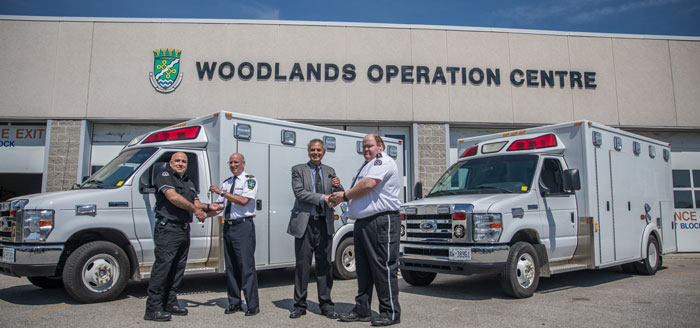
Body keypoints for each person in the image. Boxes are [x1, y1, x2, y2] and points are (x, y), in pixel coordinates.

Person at [330, 134, 402, 327]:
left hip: (381, 221)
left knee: (383, 267)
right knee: (363, 269)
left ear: (380, 146)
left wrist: (344, 196)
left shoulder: (383, 161)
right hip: (363, 223)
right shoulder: (365, 166)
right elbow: (359, 191)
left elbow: (369, 185)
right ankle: (362, 309)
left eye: (369, 146)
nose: (366, 150)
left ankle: (390, 312)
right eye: (363, 147)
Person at [145, 152, 222, 322]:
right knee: (162, 269)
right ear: (171, 163)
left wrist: (210, 207)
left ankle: (170, 303)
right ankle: (153, 309)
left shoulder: (188, 181)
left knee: (177, 269)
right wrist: (196, 211)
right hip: (168, 229)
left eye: (184, 161)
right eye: (177, 161)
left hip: (183, 229)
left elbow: (196, 203)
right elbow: (173, 197)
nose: (180, 163)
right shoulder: (164, 176)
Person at [287, 139, 343, 319]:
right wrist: (323, 198)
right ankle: (299, 305)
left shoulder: (330, 171)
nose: (316, 153)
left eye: (319, 150)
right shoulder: (298, 169)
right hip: (305, 223)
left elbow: (337, 195)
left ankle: (326, 305)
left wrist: (338, 186)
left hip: (324, 223)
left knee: (325, 266)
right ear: (308, 151)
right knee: (302, 266)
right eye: (313, 150)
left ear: (323, 152)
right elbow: (300, 193)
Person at [209, 153, 260, 316]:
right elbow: (219, 206)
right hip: (228, 227)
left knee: (246, 267)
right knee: (231, 267)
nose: (233, 165)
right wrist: (203, 212)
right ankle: (234, 303)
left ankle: (252, 305)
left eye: (236, 162)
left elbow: (244, 201)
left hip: (243, 227)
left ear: (243, 163)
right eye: (230, 162)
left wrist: (222, 193)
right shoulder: (227, 183)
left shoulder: (249, 180)